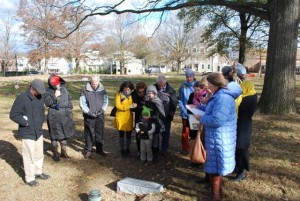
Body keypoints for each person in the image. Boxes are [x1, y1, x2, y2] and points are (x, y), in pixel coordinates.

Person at [199, 73, 240, 201]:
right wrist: (199, 107)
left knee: (215, 167)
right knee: (215, 167)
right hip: (217, 137)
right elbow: (213, 111)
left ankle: (215, 197)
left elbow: (217, 120)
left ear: (217, 85)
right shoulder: (218, 95)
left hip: (220, 138)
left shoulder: (222, 98)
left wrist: (201, 118)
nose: (207, 89)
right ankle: (217, 194)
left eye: (209, 86)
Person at [10, 79, 50, 187]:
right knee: (29, 156)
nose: (41, 94)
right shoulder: (21, 98)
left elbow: (41, 110)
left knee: (38, 154)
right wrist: (25, 122)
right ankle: (30, 178)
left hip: (38, 130)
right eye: (39, 91)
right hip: (27, 131)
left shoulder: (40, 96)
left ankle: (38, 172)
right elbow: (13, 114)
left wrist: (42, 120)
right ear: (33, 89)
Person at [44, 75, 76, 161]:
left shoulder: (64, 89)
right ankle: (55, 154)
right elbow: (48, 103)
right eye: (55, 83)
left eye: (58, 82)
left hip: (65, 114)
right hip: (54, 115)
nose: (57, 84)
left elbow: (69, 99)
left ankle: (63, 152)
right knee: (54, 135)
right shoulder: (48, 91)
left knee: (64, 133)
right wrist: (55, 96)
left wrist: (69, 107)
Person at [79, 75, 108, 159]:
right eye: (93, 84)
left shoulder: (102, 89)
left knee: (100, 132)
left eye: (96, 83)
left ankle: (99, 149)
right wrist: (88, 112)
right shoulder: (85, 89)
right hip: (89, 115)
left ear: (98, 82)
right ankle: (88, 150)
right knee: (89, 133)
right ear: (90, 82)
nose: (94, 85)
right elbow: (82, 102)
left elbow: (105, 100)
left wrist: (102, 110)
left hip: (100, 115)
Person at [234, 80, 257, 182]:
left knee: (241, 147)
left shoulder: (249, 98)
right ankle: (236, 168)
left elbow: (241, 108)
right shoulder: (249, 95)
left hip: (244, 125)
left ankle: (241, 172)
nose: (241, 90)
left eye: (243, 88)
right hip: (240, 123)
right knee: (237, 147)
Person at [154, 75, 177, 153]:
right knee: (155, 133)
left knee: (166, 133)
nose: (160, 87)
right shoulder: (153, 88)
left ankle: (164, 149)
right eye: (159, 85)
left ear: (165, 83)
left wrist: (171, 115)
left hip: (166, 115)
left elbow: (174, 104)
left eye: (162, 85)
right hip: (156, 115)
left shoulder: (171, 91)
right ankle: (155, 148)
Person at [114, 81, 136, 158]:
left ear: (131, 89)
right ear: (122, 88)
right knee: (121, 134)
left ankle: (127, 149)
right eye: (125, 89)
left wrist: (135, 105)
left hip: (129, 117)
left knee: (129, 134)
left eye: (128, 90)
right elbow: (118, 106)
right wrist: (129, 107)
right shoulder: (118, 94)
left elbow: (135, 103)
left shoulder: (132, 95)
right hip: (120, 117)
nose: (126, 91)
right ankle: (122, 149)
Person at [144, 85, 166, 162]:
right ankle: (149, 154)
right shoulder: (146, 101)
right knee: (149, 139)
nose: (150, 94)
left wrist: (156, 116)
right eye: (149, 93)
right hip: (148, 123)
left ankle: (156, 154)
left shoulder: (158, 101)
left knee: (156, 139)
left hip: (156, 123)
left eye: (152, 93)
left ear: (155, 93)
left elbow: (162, 112)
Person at [178, 68, 197, 153]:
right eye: (187, 77)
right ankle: (185, 148)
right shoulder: (183, 86)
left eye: (190, 76)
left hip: (195, 113)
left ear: (193, 76)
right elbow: (180, 100)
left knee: (195, 131)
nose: (189, 78)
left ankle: (195, 148)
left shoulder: (197, 85)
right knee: (185, 131)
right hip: (185, 113)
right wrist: (183, 109)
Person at [131, 81, 147, 156]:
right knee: (138, 133)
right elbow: (131, 108)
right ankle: (139, 150)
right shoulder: (133, 95)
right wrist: (138, 107)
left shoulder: (147, 94)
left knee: (147, 133)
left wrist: (138, 106)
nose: (141, 93)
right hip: (138, 117)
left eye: (143, 91)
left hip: (147, 117)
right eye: (139, 92)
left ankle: (147, 150)